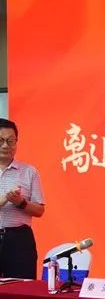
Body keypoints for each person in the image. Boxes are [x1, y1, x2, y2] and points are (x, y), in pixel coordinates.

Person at [0, 118, 45, 279]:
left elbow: (40, 210)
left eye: (10, 141)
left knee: (22, 287)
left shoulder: (29, 172)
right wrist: (4, 200)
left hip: (19, 240)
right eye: (1, 140)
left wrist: (21, 203)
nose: (5, 146)